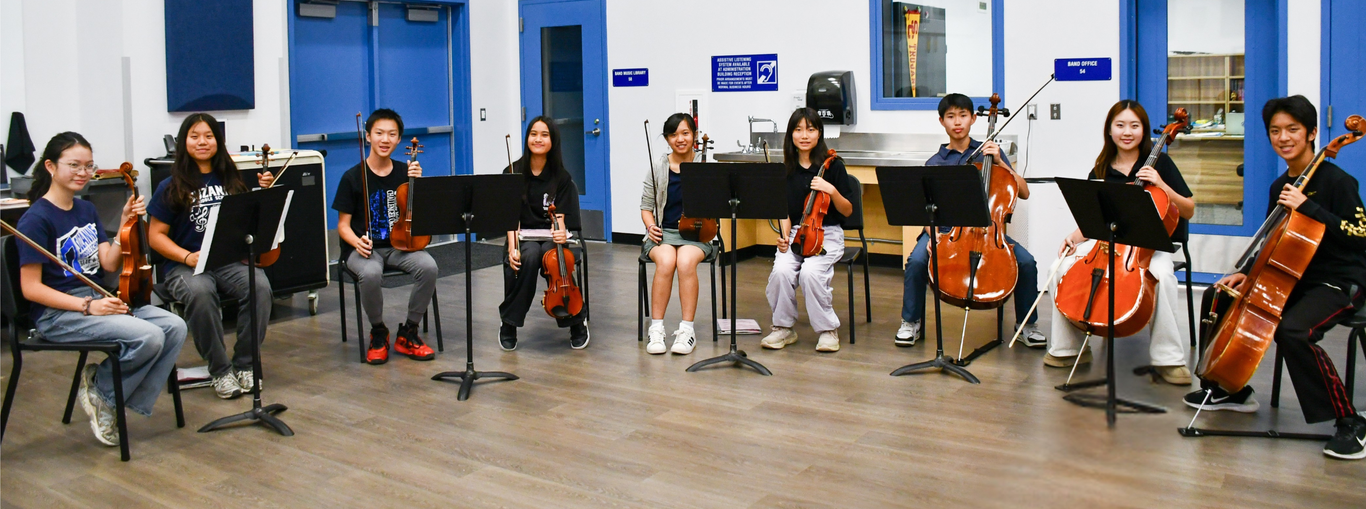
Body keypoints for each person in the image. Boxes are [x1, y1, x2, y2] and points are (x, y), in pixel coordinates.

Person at [1184, 95, 1366, 460]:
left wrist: (1309, 207)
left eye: (1293, 130)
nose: (1283, 137)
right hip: (1294, 277)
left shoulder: (1337, 181)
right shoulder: (1279, 186)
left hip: (1340, 280)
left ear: (1313, 133)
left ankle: (1349, 423)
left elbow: (1359, 233)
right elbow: (1271, 243)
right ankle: (1228, 388)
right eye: (1275, 131)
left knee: (1294, 331)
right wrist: (1245, 274)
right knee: (1216, 296)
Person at [15, 132, 187, 447]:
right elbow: (30, 289)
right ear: (51, 167)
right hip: (59, 313)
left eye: (88, 166)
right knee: (149, 336)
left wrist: (123, 226)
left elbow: (107, 264)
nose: (83, 172)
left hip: (97, 299)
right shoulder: (35, 220)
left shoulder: (85, 210)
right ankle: (106, 395)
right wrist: (87, 307)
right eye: (74, 165)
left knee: (174, 326)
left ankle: (105, 393)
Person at [1047, 100, 1195, 385]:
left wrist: (1162, 185)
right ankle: (1067, 348)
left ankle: (1168, 358)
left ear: (1144, 131)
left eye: (1135, 126)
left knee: (1162, 276)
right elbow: (1095, 220)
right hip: (1109, 244)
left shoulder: (1160, 162)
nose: (1127, 132)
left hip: (1152, 245)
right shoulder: (1102, 168)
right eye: (1120, 125)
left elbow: (1188, 208)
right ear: (1110, 131)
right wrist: (1073, 237)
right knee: (1060, 265)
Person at [897, 93, 1046, 348]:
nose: (958, 122)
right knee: (916, 262)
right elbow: (927, 210)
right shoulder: (934, 163)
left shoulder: (989, 154)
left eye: (963, 116)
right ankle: (911, 322)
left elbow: (1023, 191)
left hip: (989, 232)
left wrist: (1001, 162)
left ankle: (1027, 325)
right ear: (941, 121)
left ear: (974, 118)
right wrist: (932, 237)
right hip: (943, 230)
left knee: (1027, 263)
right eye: (951, 116)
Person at [147, 113, 273, 399]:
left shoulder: (231, 180)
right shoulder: (169, 186)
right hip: (184, 264)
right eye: (194, 136)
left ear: (218, 141)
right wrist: (187, 257)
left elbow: (247, 221)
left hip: (225, 259)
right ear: (183, 142)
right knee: (201, 293)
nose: (202, 142)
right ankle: (220, 370)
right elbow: (155, 237)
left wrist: (262, 194)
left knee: (260, 286)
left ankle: (245, 364)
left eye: (209, 136)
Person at [332, 108, 438, 365]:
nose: (385, 139)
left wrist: (418, 186)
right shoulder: (351, 177)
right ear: (368, 136)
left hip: (400, 245)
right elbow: (343, 226)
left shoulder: (406, 171)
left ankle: (409, 331)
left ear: (399, 139)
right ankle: (378, 330)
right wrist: (357, 241)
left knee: (429, 266)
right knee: (369, 273)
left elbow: (422, 216)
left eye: (391, 134)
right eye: (379, 133)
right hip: (364, 249)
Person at [760, 108, 855, 353]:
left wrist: (831, 190)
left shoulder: (834, 167)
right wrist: (783, 237)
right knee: (781, 270)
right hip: (796, 234)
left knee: (810, 272)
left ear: (819, 133)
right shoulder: (786, 171)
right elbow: (786, 214)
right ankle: (783, 328)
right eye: (798, 129)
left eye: (811, 129)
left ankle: (827, 330)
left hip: (828, 234)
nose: (804, 135)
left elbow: (847, 211)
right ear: (791, 134)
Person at [498, 116, 590, 350]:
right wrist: (511, 248)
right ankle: (509, 322)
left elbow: (560, 217)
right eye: (533, 134)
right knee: (525, 259)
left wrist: (561, 233)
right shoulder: (512, 172)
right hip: (522, 236)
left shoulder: (562, 177)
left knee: (557, 260)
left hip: (550, 237)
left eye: (544, 135)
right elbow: (510, 217)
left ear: (553, 141)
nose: (538, 139)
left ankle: (575, 319)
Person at [640, 113, 714, 355]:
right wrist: (650, 226)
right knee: (666, 261)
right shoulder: (657, 167)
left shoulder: (705, 166)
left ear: (694, 135)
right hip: (664, 233)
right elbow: (646, 207)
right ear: (667, 139)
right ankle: (657, 329)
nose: (680, 139)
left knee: (684, 261)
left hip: (697, 233)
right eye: (673, 135)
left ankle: (687, 330)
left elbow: (718, 205)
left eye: (685, 133)